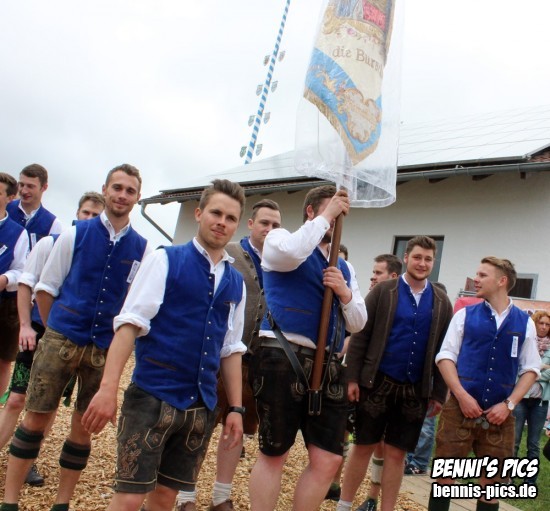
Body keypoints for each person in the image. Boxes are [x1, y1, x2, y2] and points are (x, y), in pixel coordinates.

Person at [82, 179, 247, 511]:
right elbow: (129, 325)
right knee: (129, 498)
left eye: (230, 218)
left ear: (236, 224)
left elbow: (230, 349)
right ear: (199, 213)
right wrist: (107, 389)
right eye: (215, 213)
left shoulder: (236, 282)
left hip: (200, 406)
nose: (222, 222)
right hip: (151, 397)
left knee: (164, 499)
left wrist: (236, 409)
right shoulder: (166, 259)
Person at [0, 164, 149, 511]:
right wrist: (57, 330)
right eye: (117, 188)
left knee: (83, 428)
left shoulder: (143, 249)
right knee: (35, 418)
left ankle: (62, 504)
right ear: (106, 189)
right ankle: (9, 501)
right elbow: (46, 288)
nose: (122, 195)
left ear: (137, 198)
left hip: (102, 348)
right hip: (61, 338)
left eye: (129, 190)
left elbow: (132, 304)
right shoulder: (74, 234)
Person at [248, 185, 368, 511]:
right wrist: (328, 215)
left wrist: (343, 292)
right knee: (275, 452)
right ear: (311, 212)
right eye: (330, 212)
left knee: (329, 459)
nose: (335, 220)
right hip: (282, 355)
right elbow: (291, 254)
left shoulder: (344, 268)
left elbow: (358, 321)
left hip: (327, 365)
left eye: (340, 215)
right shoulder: (280, 239)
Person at [338, 235, 453, 511]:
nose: (422, 263)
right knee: (363, 446)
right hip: (376, 383)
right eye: (418, 257)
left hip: (414, 390)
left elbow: (444, 349)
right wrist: (352, 378)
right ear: (406, 258)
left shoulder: (441, 301)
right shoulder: (384, 291)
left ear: (433, 262)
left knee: (396, 454)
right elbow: (361, 335)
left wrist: (438, 393)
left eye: (428, 259)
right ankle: (344, 505)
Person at [0, 192, 105, 486]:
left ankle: (27, 461)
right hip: (37, 331)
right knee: (16, 399)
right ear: (77, 213)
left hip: (72, 340)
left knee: (48, 406)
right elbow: (26, 284)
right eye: (85, 212)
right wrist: (25, 326)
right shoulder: (51, 243)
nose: (88, 219)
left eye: (95, 215)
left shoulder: (104, 257)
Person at [428, 256, 541, 511]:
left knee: (492, 484)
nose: (476, 279)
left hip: (500, 414)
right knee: (445, 477)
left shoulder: (525, 323)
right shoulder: (464, 315)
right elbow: (445, 357)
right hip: (459, 409)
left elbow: (531, 369)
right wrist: (461, 395)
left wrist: (509, 404)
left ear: (502, 281)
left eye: (482, 275)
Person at [197, 198, 281, 511]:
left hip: (255, 360)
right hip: (216, 354)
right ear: (251, 224)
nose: (269, 229)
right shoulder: (229, 252)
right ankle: (183, 494)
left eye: (275, 225)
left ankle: (221, 496)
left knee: (236, 429)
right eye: (264, 223)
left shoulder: (281, 262)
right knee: (199, 425)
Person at [328, 253, 401, 508]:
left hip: (378, 382)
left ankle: (372, 496)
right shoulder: (365, 298)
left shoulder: (397, 306)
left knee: (379, 443)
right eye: (372, 273)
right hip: (352, 376)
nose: (372, 278)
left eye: (378, 273)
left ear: (393, 276)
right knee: (345, 431)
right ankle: (334, 484)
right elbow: (354, 332)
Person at [512, 309, 550, 485]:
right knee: (514, 440)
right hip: (520, 399)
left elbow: (530, 371)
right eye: (541, 323)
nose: (544, 327)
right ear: (535, 324)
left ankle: (530, 481)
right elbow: (518, 368)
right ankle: (508, 478)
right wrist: (541, 368)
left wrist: (532, 371)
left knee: (534, 444)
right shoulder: (525, 343)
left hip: (540, 403)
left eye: (547, 324)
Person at [0, 172, 28, 396]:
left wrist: (5, 279)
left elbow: (21, 270)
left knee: (3, 361)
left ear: (10, 198)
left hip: (5, 304)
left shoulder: (18, 233)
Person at [7, 163, 63, 248]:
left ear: (44, 187)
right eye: (21, 185)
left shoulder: (53, 224)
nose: (24, 191)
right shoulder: (5, 208)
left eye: (30, 186)